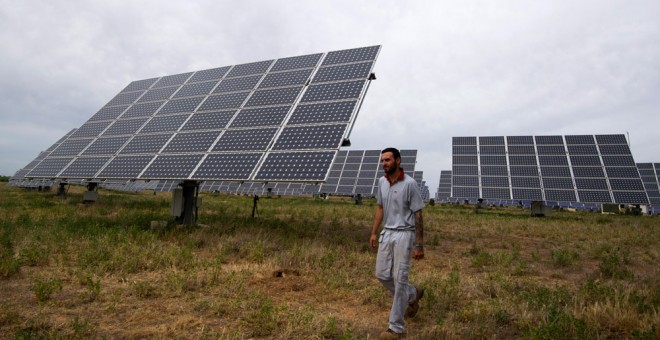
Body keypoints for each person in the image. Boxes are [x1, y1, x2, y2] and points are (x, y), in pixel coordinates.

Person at [370, 147, 425, 339]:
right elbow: (379, 207)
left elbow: (418, 213)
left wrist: (419, 244)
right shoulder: (381, 182)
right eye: (382, 161)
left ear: (398, 161)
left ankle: (395, 328)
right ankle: (412, 294)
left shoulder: (410, 183)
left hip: (404, 234)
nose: (384, 164)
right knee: (382, 275)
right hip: (387, 233)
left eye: (387, 160)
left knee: (399, 278)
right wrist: (374, 232)